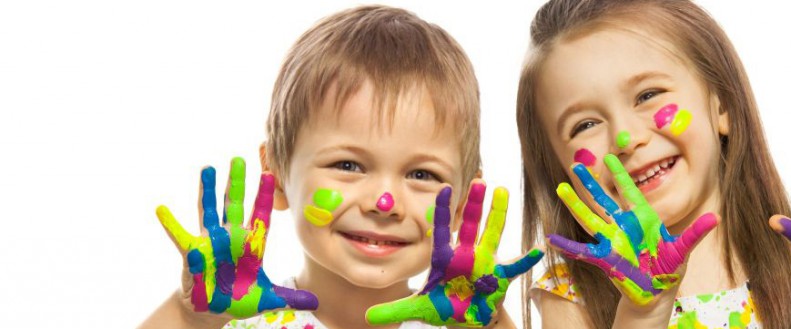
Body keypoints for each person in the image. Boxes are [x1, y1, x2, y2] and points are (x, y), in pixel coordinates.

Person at [515, 1, 791, 328]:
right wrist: (643, 314)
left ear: (723, 105)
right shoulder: (569, 295)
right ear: (556, 168)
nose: (626, 138)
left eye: (647, 95)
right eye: (585, 124)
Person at [141, 5, 539, 328]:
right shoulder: (240, 322)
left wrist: (491, 324)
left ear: (463, 203)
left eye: (421, 175)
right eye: (348, 164)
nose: (384, 202)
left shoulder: (462, 325)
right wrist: (190, 314)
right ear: (276, 176)